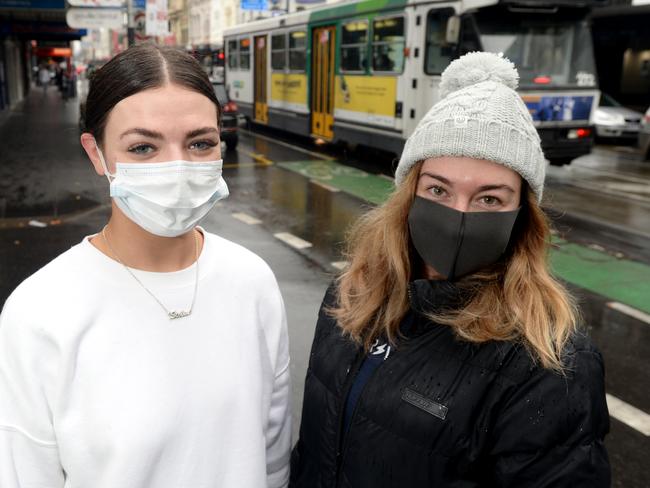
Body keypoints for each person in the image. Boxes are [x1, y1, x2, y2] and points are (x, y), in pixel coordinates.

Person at [290, 52, 610, 487]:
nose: (459, 215)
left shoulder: (548, 362)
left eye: (489, 199)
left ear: (521, 215)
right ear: (409, 194)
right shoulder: (351, 295)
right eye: (438, 189)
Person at [0, 44, 291, 488]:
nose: (176, 167)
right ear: (96, 154)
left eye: (200, 143)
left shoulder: (252, 282)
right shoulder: (40, 312)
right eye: (142, 147)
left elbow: (271, 456)